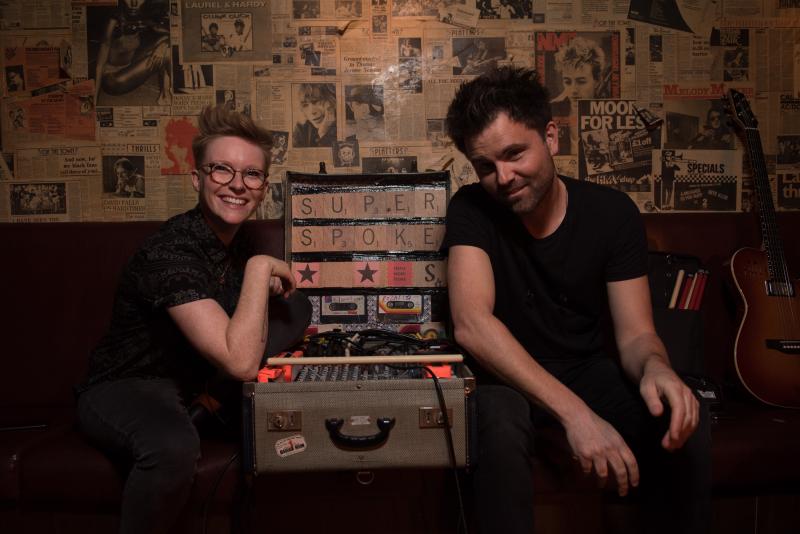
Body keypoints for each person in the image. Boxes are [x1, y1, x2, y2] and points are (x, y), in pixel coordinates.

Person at [442, 67, 710, 534]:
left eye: (514, 154)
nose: (503, 177)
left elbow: (637, 335)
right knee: (498, 421)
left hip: (586, 369)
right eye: (485, 166)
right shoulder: (470, 208)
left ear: (551, 137)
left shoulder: (613, 213)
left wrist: (657, 368)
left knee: (682, 410)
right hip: (503, 377)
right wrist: (577, 416)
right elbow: (472, 325)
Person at [76, 105, 305, 534]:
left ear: (262, 188)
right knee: (172, 447)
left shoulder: (237, 243)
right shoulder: (169, 250)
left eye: (251, 174)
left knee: (297, 311)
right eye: (222, 169)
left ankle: (209, 405)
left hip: (197, 384)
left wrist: (262, 287)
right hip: (128, 385)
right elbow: (240, 362)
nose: (237, 184)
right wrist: (260, 271)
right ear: (197, 178)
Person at [93, 0, 172, 106]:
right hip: (113, 80)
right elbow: (99, 66)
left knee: (164, 44)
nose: (134, 3)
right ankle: (169, 94)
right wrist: (94, 101)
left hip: (128, 67)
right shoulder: (113, 22)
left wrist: (164, 44)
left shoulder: (142, 17)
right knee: (166, 53)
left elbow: (169, 33)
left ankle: (165, 93)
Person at [292, 83, 337, 148]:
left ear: (330, 101)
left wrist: (324, 134)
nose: (312, 112)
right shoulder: (301, 130)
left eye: (315, 101)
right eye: (305, 105)